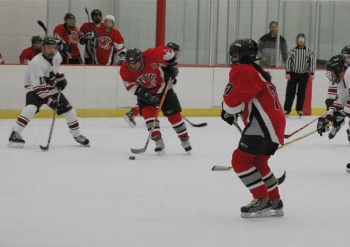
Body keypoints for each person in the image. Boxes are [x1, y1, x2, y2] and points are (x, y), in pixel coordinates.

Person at [221, 38, 286, 218]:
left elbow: (235, 100)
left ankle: (260, 198)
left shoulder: (244, 70)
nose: (232, 58)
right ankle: (275, 200)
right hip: (274, 125)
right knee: (259, 162)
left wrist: (227, 110)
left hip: (263, 125)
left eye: (234, 54)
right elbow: (250, 97)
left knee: (239, 161)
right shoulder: (258, 73)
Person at [8, 36, 89, 148]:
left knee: (70, 112)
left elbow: (53, 72)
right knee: (30, 109)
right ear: (43, 48)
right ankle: (15, 134)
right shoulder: (36, 62)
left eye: (52, 47)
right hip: (34, 88)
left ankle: (77, 135)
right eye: (48, 47)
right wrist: (51, 100)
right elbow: (38, 87)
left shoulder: (57, 56)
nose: (51, 49)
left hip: (50, 87)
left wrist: (60, 79)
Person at [119, 47, 191, 155]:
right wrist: (144, 94)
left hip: (164, 88)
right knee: (150, 118)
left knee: (174, 116)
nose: (133, 67)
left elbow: (169, 52)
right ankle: (158, 141)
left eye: (135, 63)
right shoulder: (124, 69)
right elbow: (129, 85)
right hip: (145, 93)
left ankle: (185, 139)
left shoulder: (152, 55)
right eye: (130, 65)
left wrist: (172, 65)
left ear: (141, 59)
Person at [123, 42, 181, 127]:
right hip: (151, 83)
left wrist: (171, 78)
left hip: (154, 83)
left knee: (150, 98)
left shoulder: (166, 59)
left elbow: (166, 73)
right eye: (175, 51)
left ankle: (132, 112)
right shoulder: (160, 56)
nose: (176, 53)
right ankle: (133, 112)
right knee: (148, 98)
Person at [317, 54, 350, 142]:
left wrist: (343, 113)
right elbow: (341, 101)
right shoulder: (342, 82)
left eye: (332, 71)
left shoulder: (349, 75)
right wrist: (327, 118)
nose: (331, 74)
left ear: (339, 69)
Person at [283, 33, 315, 117]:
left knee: (301, 93)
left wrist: (312, 73)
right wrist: (288, 72)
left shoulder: (309, 51)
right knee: (290, 92)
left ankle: (299, 109)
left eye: (302, 40)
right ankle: (287, 109)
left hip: (304, 74)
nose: (301, 42)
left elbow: (312, 62)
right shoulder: (292, 50)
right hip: (293, 74)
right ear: (297, 41)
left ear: (304, 41)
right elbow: (288, 62)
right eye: (299, 40)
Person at [325, 44, 350, 110]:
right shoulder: (339, 74)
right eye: (343, 57)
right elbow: (334, 97)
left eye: (347, 57)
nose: (345, 60)